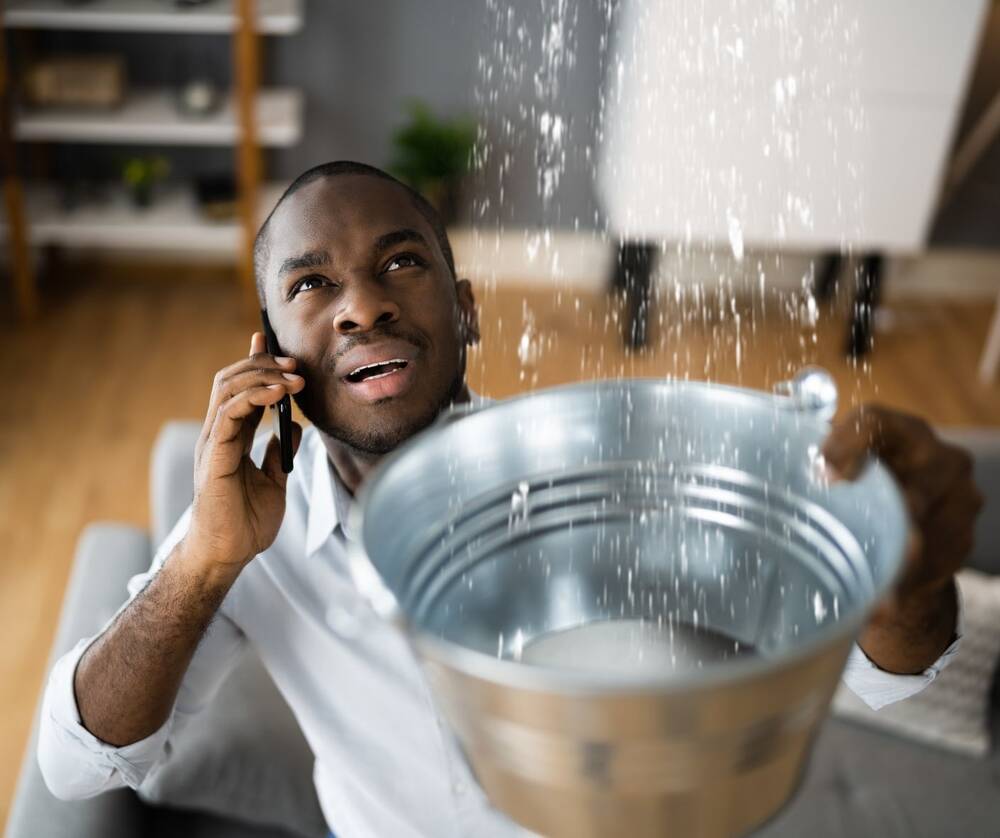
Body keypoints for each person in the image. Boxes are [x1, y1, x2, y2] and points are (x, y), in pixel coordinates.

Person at [38, 161, 983, 837]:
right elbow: (74, 766)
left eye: (402, 262)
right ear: (272, 351)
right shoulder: (244, 536)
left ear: (469, 309)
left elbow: (884, 676)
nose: (362, 305)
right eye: (313, 285)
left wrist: (912, 572)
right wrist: (206, 558)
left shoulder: (591, 477)